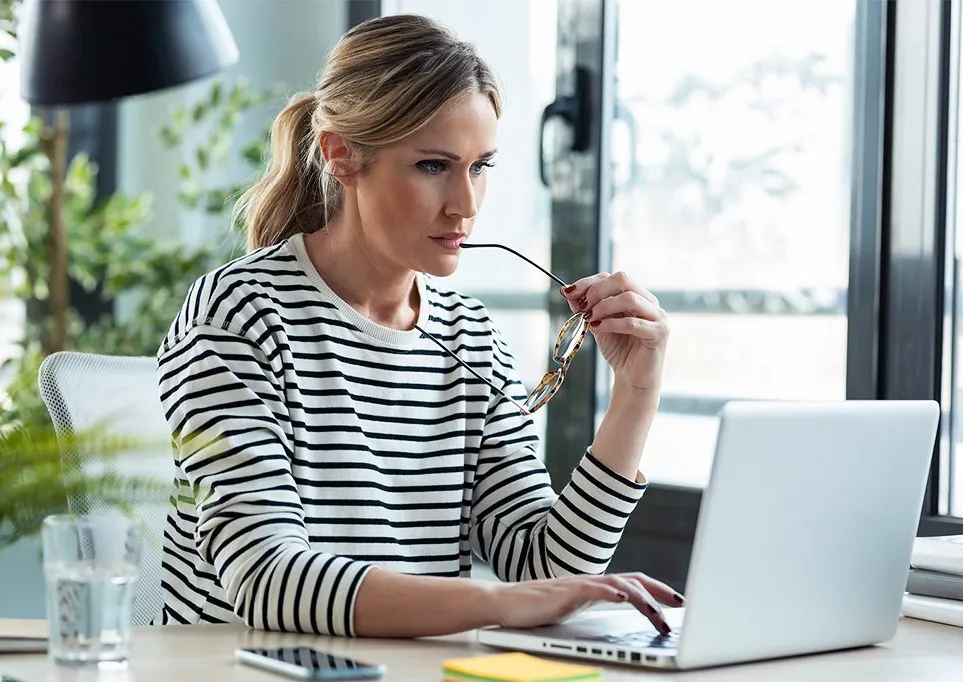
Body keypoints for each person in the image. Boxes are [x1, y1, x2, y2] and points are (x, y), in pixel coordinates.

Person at [154, 13, 678, 639]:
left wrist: (636, 396)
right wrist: (491, 603)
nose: (466, 202)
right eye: (434, 166)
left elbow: (542, 567)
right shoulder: (238, 313)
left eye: (481, 166)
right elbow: (268, 578)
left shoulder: (471, 337)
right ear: (341, 155)